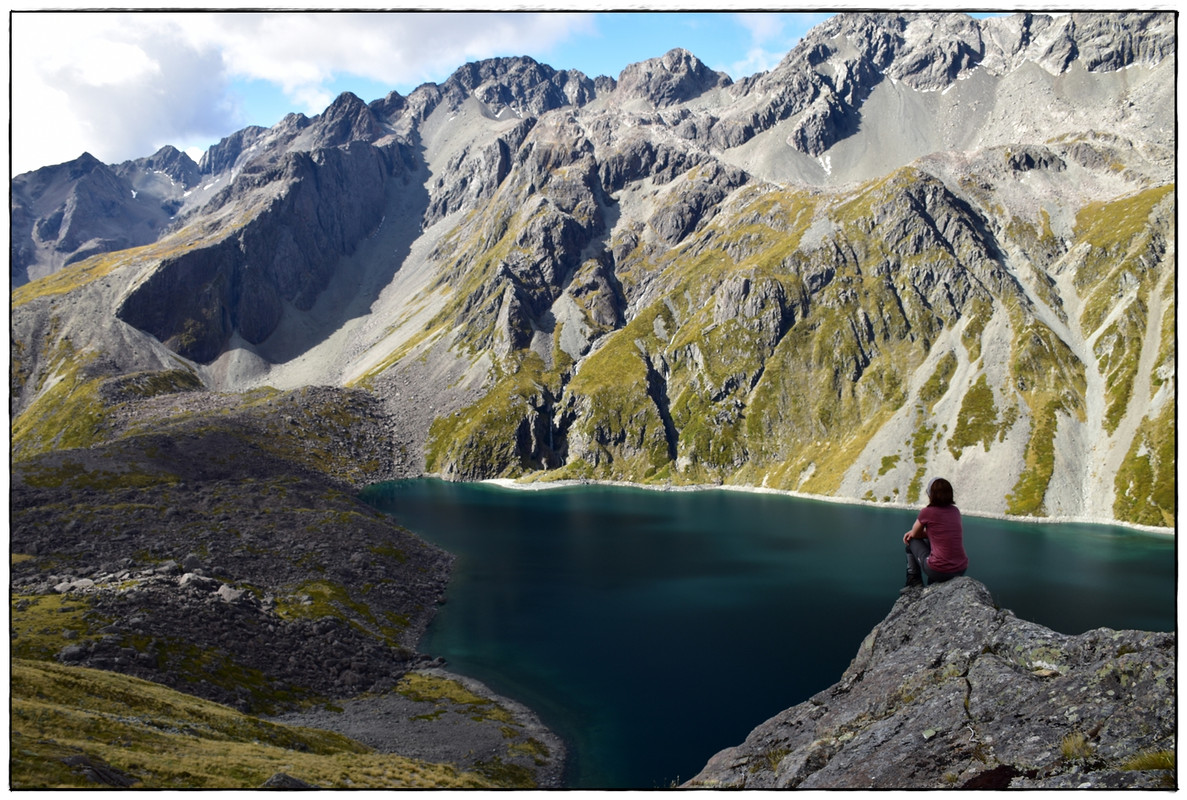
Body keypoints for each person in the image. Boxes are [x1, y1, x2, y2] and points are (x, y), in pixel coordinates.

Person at [903, 477, 967, 588]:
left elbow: (915, 534)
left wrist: (912, 533)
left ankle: (913, 581)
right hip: (961, 569)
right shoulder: (955, 511)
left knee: (911, 540)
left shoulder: (927, 512)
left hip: (940, 571)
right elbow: (943, 534)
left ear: (931, 494)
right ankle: (932, 584)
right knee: (933, 543)